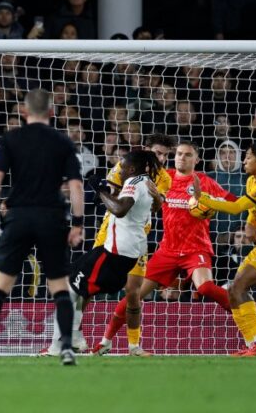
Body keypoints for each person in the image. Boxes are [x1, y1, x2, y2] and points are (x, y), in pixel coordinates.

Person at [0, 89, 84, 366]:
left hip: (18, 217)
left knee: (1, 284)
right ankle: (67, 347)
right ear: (52, 113)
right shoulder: (63, 142)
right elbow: (76, 186)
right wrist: (78, 223)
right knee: (58, 285)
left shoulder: (10, 139)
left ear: (23, 112)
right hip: (51, 217)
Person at [94, 140, 235, 355]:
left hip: (195, 248)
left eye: (188, 155)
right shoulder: (163, 178)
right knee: (134, 294)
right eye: (179, 154)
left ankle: (242, 310)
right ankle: (105, 340)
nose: (182, 158)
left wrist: (217, 205)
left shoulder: (205, 181)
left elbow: (234, 202)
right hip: (167, 250)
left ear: (196, 159)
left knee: (205, 287)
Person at [40, 133, 172, 356]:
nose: (162, 158)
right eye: (158, 153)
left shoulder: (162, 178)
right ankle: (76, 339)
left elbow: (136, 205)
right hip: (111, 235)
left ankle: (132, 345)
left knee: (131, 292)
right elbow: (113, 191)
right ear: (146, 150)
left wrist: (106, 191)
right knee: (85, 288)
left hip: (131, 239)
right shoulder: (129, 166)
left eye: (166, 155)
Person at [195, 142, 256, 356]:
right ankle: (253, 344)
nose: (244, 161)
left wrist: (202, 198)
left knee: (239, 286)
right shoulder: (252, 181)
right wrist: (250, 224)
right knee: (232, 290)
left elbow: (236, 207)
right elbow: (252, 209)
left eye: (248, 157)